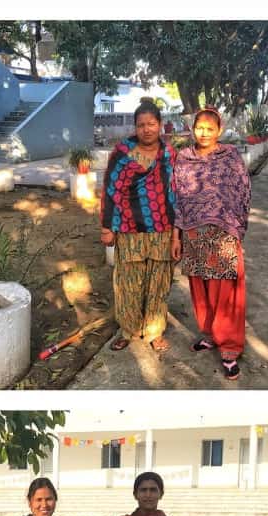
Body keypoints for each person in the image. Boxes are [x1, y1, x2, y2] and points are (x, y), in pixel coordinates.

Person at [171, 106, 251, 380]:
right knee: (201, 287)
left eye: (209, 128)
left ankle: (229, 346)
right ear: (193, 129)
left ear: (220, 130)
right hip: (193, 232)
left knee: (225, 291)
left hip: (223, 232)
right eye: (199, 127)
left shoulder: (229, 156)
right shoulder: (184, 158)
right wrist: (176, 235)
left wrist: (237, 228)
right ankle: (209, 334)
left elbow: (243, 190)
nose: (203, 133)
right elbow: (177, 198)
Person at [101, 101, 179, 353]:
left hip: (163, 227)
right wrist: (107, 226)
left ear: (160, 125)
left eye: (151, 124)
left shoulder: (169, 154)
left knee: (159, 281)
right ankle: (129, 329)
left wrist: (179, 231)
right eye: (141, 125)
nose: (146, 129)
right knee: (128, 282)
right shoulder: (123, 152)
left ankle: (154, 331)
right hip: (129, 226)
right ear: (135, 127)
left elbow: (177, 191)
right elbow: (111, 190)